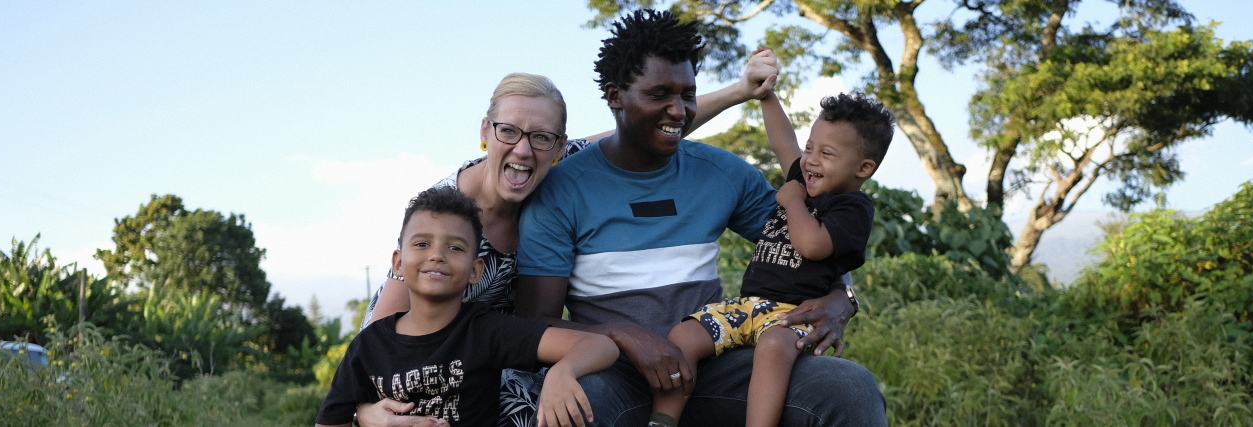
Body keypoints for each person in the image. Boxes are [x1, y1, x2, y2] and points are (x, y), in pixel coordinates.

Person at [355, 48, 780, 427]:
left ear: (559, 146)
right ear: (485, 131)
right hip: (425, 359)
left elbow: (645, 127)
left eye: (540, 137)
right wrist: (363, 410)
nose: (524, 150)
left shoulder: (561, 170)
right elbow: (378, 339)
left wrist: (739, 91)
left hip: (513, 350)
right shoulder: (444, 217)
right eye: (508, 132)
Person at [515, 9, 887, 426]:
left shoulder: (724, 174)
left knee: (849, 388)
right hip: (612, 373)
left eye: (687, 94)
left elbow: (808, 239)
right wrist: (626, 336)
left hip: (714, 364)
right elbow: (534, 324)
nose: (678, 110)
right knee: (574, 407)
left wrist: (843, 300)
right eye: (660, 95)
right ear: (615, 95)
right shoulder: (561, 190)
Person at [648, 89, 895, 427]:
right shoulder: (804, 180)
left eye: (826, 153)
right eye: (810, 148)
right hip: (749, 305)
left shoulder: (852, 207)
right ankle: (662, 421)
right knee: (683, 337)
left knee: (773, 349)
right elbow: (782, 140)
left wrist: (793, 201)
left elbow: (812, 246)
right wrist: (766, 94)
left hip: (792, 315)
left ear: (864, 168)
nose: (810, 160)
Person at [316, 187, 619, 427]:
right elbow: (332, 420)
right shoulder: (367, 347)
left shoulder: (486, 330)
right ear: (398, 262)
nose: (437, 255)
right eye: (422, 244)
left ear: (476, 270)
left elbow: (599, 345)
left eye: (455, 247)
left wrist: (562, 372)